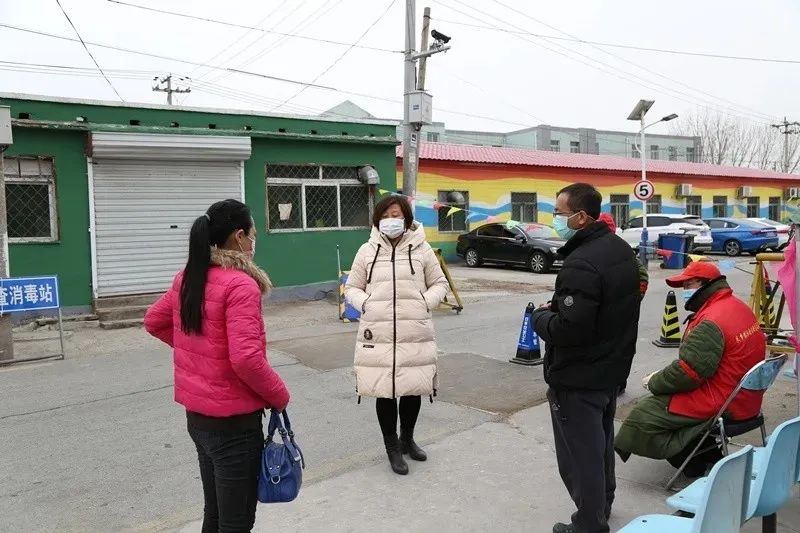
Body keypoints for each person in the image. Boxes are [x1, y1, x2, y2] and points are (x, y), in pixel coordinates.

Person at [144, 199, 290, 533]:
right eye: (253, 234)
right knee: (236, 522)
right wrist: (279, 395)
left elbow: (154, 321)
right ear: (239, 236)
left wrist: (201, 355)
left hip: (198, 420)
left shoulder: (189, 276)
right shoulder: (240, 285)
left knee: (216, 514)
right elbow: (247, 359)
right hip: (234, 427)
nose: (254, 241)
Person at [532, 183, 642, 533]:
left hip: (578, 377)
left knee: (582, 458)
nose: (556, 219)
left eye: (560, 213)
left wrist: (541, 318)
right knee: (600, 446)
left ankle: (589, 525)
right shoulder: (620, 250)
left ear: (580, 217)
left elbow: (569, 330)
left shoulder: (582, 262)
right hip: (610, 369)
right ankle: (601, 507)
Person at [615, 261, 766, 477]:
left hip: (725, 401)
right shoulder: (736, 306)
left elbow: (689, 373)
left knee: (644, 412)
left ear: (705, 284)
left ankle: (692, 461)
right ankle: (706, 455)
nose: (685, 291)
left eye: (688, 285)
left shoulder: (711, 320)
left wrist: (655, 381)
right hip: (746, 397)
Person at [345, 195, 448, 475]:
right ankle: (392, 447)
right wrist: (365, 303)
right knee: (385, 390)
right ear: (378, 219)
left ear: (407, 219)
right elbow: (351, 287)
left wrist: (425, 302)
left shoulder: (422, 249)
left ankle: (407, 440)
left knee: (413, 387)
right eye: (387, 215)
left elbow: (440, 283)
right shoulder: (367, 251)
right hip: (377, 330)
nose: (393, 220)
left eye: (398, 215)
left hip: (414, 329)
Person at [597, 212, 649, 396]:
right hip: (607, 311)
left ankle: (618, 383)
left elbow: (642, 276)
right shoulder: (595, 249)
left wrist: (634, 299)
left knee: (620, 347)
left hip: (622, 310)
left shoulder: (621, 250)